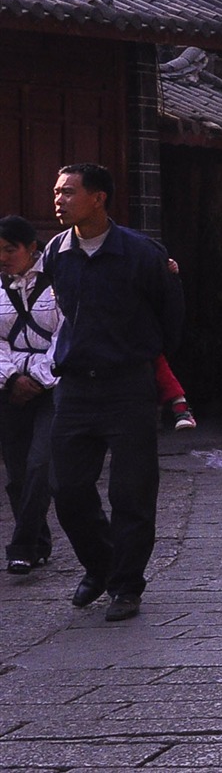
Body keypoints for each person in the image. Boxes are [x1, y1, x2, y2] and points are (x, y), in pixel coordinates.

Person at [44, 164, 184, 622]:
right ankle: (101, 566)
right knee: (67, 489)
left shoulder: (141, 254)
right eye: (57, 192)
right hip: (76, 387)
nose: (59, 200)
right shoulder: (56, 253)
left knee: (132, 493)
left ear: (99, 198)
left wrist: (142, 355)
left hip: (127, 385)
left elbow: (170, 314)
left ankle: (126, 585)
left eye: (69, 192)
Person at [0, 215, 57, 575]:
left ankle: (21, 544)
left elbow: (66, 335)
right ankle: (37, 541)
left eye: (10, 249)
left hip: (52, 387)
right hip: (9, 389)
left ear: (31, 248)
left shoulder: (57, 285)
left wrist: (36, 376)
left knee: (40, 463)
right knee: (17, 471)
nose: (4, 257)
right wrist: (10, 379)